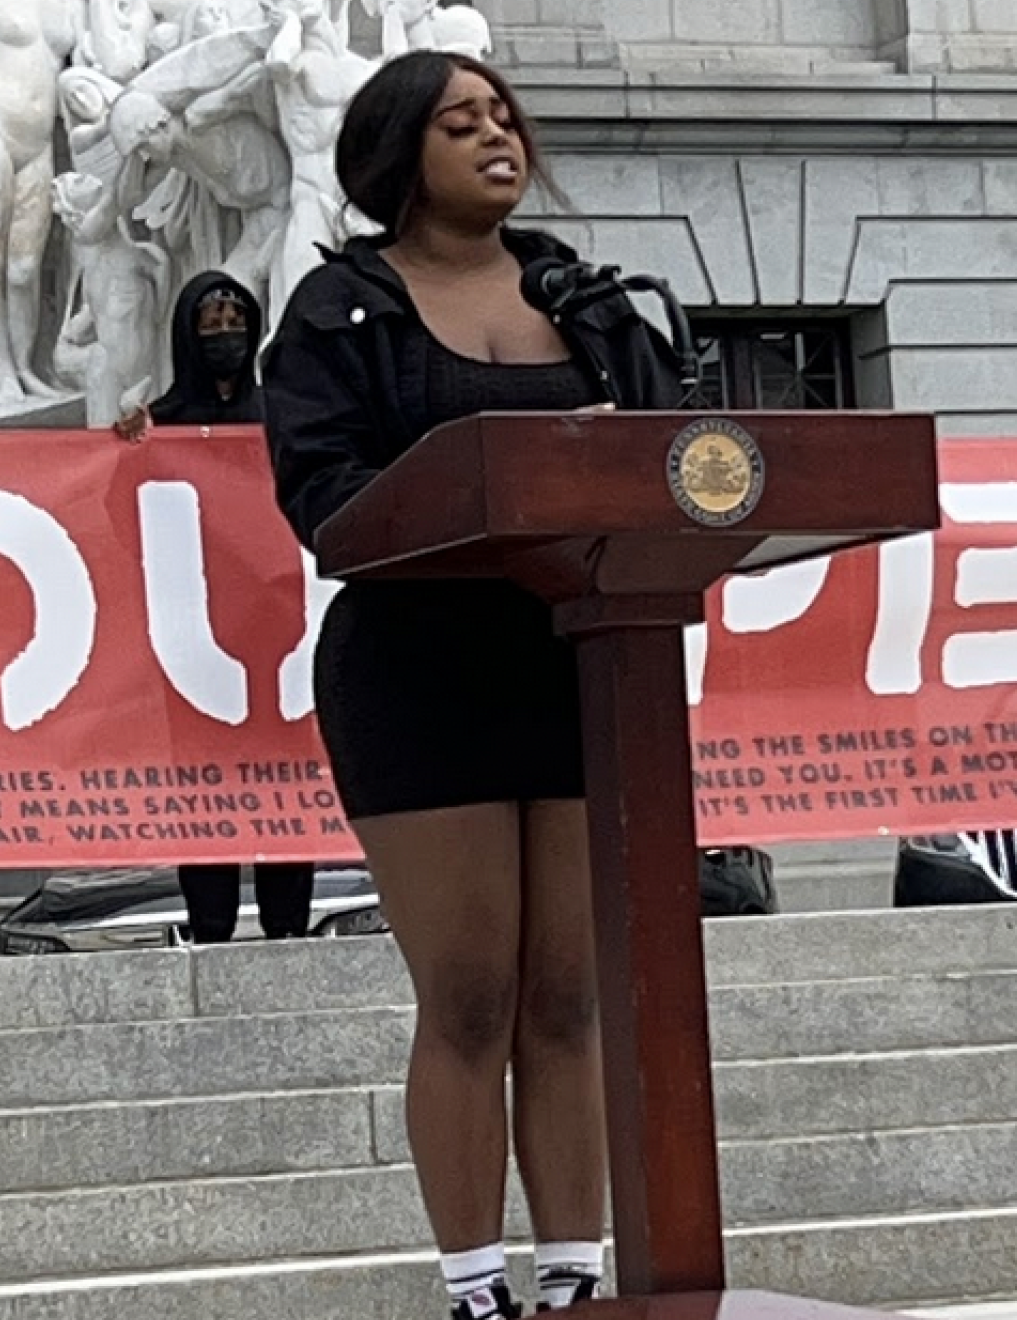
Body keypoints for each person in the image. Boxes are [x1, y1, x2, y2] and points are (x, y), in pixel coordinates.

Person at [259, 51, 684, 1320]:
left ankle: (573, 1279)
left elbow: (675, 453)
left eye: (505, 117)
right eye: (461, 123)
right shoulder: (342, 310)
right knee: (471, 994)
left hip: (582, 658)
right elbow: (323, 499)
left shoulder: (588, 301)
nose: (499, 138)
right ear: (400, 156)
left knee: (569, 993)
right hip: (420, 672)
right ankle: (473, 1287)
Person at [120, 270, 317, 946]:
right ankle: (210, 924)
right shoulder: (164, 423)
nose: (226, 334)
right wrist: (128, 454)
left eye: (237, 322)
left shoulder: (282, 415)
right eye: (211, 325)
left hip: (283, 626)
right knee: (204, 785)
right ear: (186, 336)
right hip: (196, 635)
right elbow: (125, 520)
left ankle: (288, 923)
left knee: (286, 780)